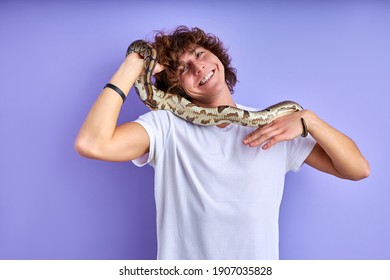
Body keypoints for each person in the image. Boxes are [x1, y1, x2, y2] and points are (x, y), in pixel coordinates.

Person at [75, 26, 370, 260]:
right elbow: (92, 144)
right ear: (174, 89)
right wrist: (133, 65)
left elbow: (357, 169)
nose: (198, 68)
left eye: (199, 54)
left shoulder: (276, 126)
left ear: (216, 56)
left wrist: (310, 120)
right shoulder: (166, 126)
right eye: (183, 68)